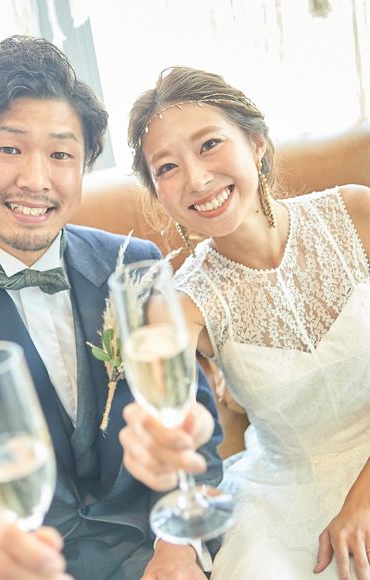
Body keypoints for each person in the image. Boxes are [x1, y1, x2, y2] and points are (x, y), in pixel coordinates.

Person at [0, 37, 224, 580]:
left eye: (60, 155)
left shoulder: (135, 265)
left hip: (149, 553)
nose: (36, 180)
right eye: (10, 149)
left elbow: (193, 420)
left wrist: (179, 550)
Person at [119, 65, 370, 580]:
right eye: (167, 168)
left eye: (209, 144)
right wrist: (173, 540)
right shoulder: (180, 305)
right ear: (159, 194)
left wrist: (362, 499)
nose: (196, 179)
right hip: (285, 499)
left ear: (256, 143)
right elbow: (173, 426)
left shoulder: (357, 213)